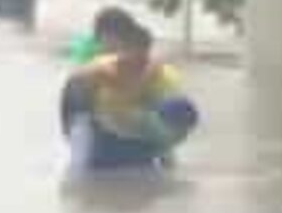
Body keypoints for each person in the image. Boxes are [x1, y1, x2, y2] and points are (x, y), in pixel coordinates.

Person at [60, 19, 199, 175]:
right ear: (121, 52)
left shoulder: (160, 76)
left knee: (156, 126)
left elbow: (173, 113)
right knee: (82, 159)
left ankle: (162, 155)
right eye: (128, 57)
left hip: (131, 123)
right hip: (87, 112)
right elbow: (75, 98)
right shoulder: (101, 71)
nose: (134, 64)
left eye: (141, 58)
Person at [67, 6, 137, 64]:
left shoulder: (130, 48)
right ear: (103, 36)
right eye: (118, 38)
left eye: (125, 37)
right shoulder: (88, 52)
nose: (121, 43)